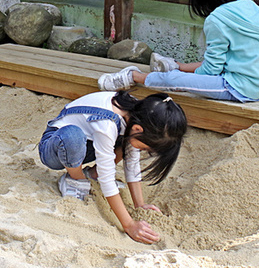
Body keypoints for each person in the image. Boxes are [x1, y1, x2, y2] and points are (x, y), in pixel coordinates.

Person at [98, 0, 259, 102]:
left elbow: (212, 70)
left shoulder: (217, 19)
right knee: (199, 69)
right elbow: (227, 60)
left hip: (241, 87)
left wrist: (185, 78)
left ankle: (134, 76)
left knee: (175, 81)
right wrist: (185, 69)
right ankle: (176, 65)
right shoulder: (254, 8)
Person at [37, 89, 186, 244]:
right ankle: (75, 179)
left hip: (88, 144)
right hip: (56, 145)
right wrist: (129, 225)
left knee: (128, 141)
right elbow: (107, 178)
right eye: (145, 148)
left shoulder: (142, 115)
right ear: (138, 130)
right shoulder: (107, 123)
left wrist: (139, 204)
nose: (143, 151)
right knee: (73, 137)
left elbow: (131, 160)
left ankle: (92, 174)